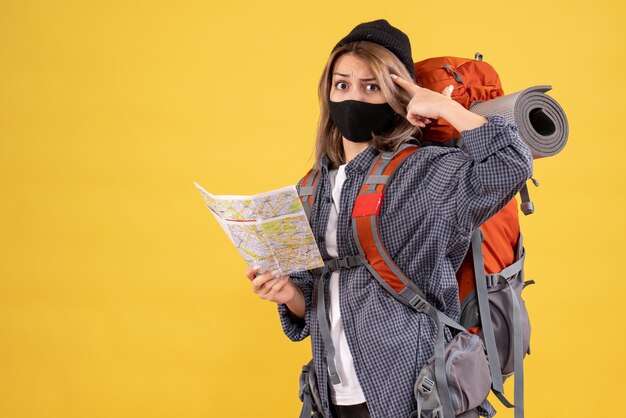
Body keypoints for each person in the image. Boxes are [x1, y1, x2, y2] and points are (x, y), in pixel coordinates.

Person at [244, 19, 533, 418]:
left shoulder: (426, 173)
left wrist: (444, 106)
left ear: (399, 94)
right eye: (342, 84)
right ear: (327, 91)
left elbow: (511, 162)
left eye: (372, 86)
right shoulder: (310, 186)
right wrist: (288, 295)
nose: (352, 97)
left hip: (412, 391)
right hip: (332, 395)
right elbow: (314, 295)